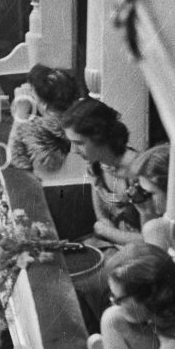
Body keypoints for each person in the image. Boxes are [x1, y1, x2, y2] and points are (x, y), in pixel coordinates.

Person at [61, 97, 144, 247]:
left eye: (79, 143)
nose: (73, 150)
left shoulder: (138, 171)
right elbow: (102, 217)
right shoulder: (96, 167)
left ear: (99, 136)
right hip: (116, 245)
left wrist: (105, 232)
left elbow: (152, 240)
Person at [7, 64, 82, 173]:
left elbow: (13, 160)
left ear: (44, 105)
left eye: (33, 93)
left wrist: (21, 113)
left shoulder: (38, 132)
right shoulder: (80, 119)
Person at [127, 144, 175, 254]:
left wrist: (148, 219)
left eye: (150, 193)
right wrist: (146, 213)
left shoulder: (156, 228)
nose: (145, 198)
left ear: (171, 190)